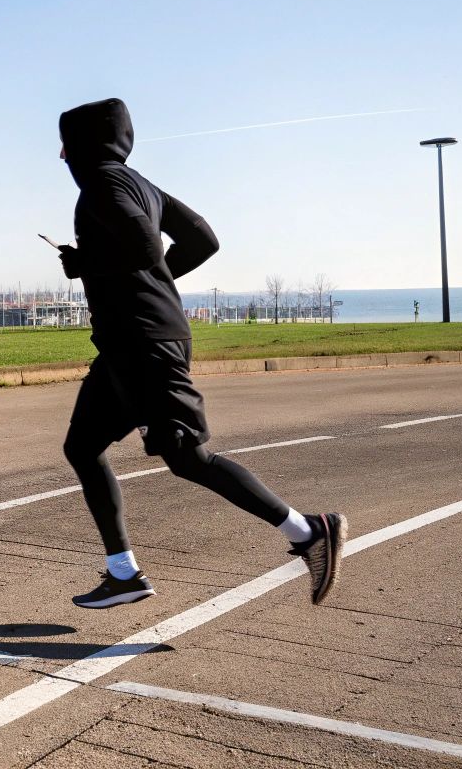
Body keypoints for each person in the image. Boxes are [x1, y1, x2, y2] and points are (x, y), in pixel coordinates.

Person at [54, 98, 345, 609]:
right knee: (82, 446)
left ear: (82, 144)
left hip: (145, 343)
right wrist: (142, 276)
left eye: (65, 143)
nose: (60, 155)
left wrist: (92, 265)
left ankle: (308, 531)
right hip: (127, 344)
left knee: (188, 458)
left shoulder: (101, 183)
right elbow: (202, 240)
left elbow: (143, 248)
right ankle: (122, 572)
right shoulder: (139, 182)